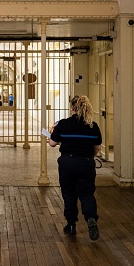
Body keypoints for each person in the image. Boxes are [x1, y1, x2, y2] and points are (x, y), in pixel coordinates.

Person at [49, 95, 102, 240]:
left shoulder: (64, 124)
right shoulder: (93, 126)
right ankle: (91, 218)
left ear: (72, 108)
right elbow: (97, 148)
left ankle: (71, 225)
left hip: (67, 163)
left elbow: (52, 143)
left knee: (69, 193)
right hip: (86, 163)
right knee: (86, 193)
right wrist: (89, 154)